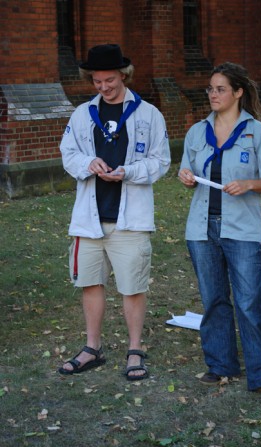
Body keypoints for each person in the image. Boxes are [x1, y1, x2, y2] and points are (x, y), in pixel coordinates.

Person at [58, 44, 170, 380]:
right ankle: (92, 348)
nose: (103, 87)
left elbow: (161, 161)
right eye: (96, 81)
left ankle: (135, 350)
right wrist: (87, 163)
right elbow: (68, 154)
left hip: (130, 219)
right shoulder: (82, 114)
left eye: (109, 80)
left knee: (132, 286)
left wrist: (128, 172)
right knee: (90, 283)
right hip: (89, 219)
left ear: (123, 75)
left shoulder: (148, 114)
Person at [178, 62, 261, 398]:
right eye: (210, 88)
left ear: (238, 92)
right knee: (213, 300)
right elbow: (188, 170)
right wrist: (185, 177)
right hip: (202, 228)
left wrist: (248, 184)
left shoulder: (258, 132)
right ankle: (220, 365)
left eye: (220, 88)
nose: (213, 94)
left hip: (241, 230)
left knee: (249, 301)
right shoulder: (197, 132)